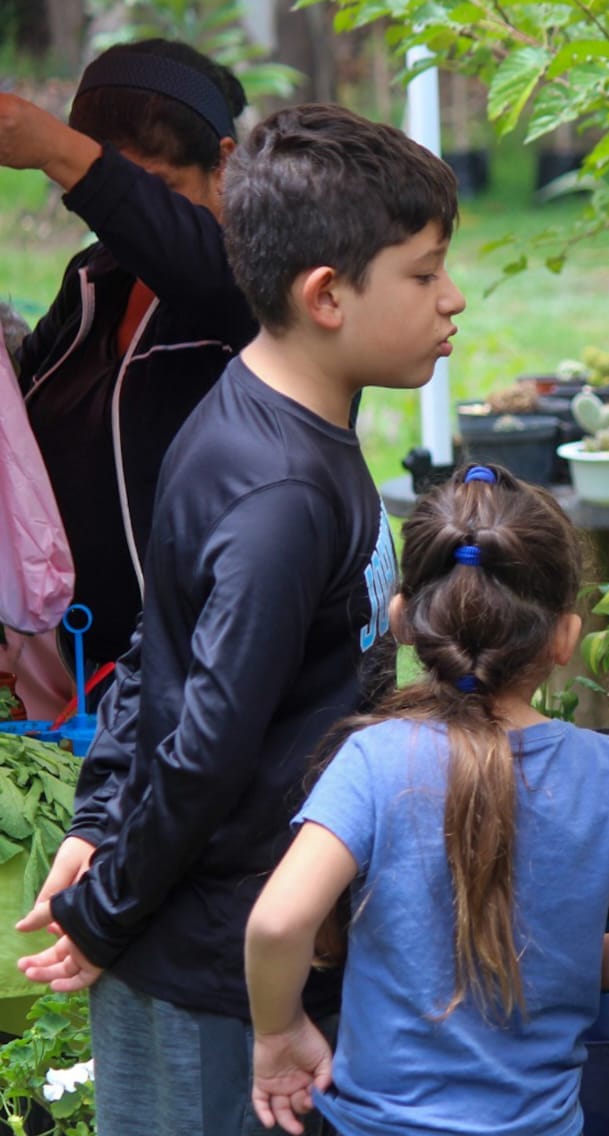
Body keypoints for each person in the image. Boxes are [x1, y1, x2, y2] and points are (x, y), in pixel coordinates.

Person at [15, 103, 465, 1136]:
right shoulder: (281, 495)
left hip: (252, 937)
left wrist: (94, 824)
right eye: (424, 271)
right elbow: (206, 743)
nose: (453, 300)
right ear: (326, 295)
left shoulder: (266, 412)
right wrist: (106, 907)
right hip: (219, 970)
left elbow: (155, 643)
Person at [243, 463, 609, 1136]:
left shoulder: (374, 761)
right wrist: (575, 957)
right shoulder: (605, 772)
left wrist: (278, 1031)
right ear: (565, 636)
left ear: (403, 619)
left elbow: (277, 924)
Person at [0, 40, 254, 679]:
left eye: (156, 191)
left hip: (203, 681)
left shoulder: (256, 289)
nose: (125, 221)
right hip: (80, 684)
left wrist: (59, 150)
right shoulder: (93, 281)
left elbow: (203, 268)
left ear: (224, 164)